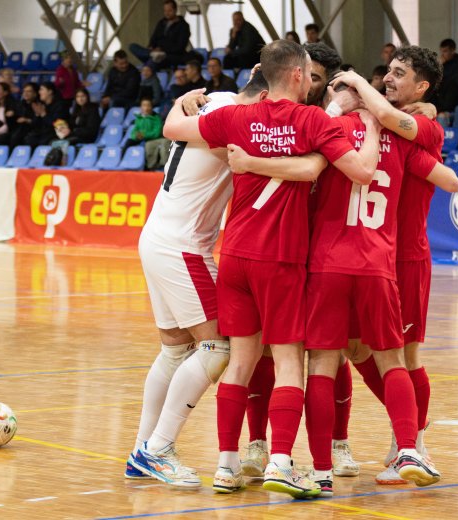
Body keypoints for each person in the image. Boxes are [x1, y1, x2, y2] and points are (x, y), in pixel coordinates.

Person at [161, 39, 382, 499]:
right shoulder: (312, 121)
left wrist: (183, 101)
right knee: (287, 362)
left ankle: (226, 467)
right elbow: (362, 172)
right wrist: (370, 125)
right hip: (280, 259)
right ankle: (281, 462)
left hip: (235, 255)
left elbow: (172, 128)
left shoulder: (236, 116)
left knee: (241, 361)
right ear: (299, 74)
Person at [125, 72, 273, 487]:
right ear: (264, 94)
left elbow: (174, 124)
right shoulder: (238, 120)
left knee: (175, 351)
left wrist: (178, 102)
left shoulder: (216, 99)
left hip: (158, 235)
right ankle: (157, 450)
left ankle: (142, 450)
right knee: (218, 346)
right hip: (183, 247)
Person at [330, 45, 457, 486]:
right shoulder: (377, 122)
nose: (388, 77)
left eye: (400, 73)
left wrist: (356, 84)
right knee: (355, 348)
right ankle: (405, 428)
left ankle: (414, 444)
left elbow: (451, 180)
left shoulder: (422, 126)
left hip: (405, 257)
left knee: (404, 355)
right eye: (389, 70)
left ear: (421, 88)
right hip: (369, 253)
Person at [130, 0, 199, 69]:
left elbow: (180, 47)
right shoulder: (161, 23)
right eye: (165, 11)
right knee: (132, 46)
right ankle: (151, 55)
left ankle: (152, 58)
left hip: (171, 56)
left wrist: (162, 49)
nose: (167, 13)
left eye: (169, 11)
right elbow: (154, 37)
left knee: (153, 61)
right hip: (155, 52)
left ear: (175, 10)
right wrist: (151, 46)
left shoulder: (183, 26)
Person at [432, 38, 458, 126]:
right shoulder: (443, 66)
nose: (442, 55)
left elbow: (455, 86)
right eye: (441, 51)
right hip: (443, 104)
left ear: (453, 51)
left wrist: (439, 66)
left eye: (445, 51)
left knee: (441, 117)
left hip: (455, 106)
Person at [25, 81, 69, 147]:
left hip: (56, 134)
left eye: (42, 89)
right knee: (29, 139)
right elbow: (35, 126)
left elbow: (58, 125)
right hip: (43, 133)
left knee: (44, 141)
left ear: (50, 92)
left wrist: (43, 114)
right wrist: (37, 115)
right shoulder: (42, 105)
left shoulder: (60, 106)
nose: (39, 92)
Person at [9, 82, 39, 148]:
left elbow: (39, 122)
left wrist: (27, 120)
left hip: (33, 131)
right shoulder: (20, 104)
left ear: (35, 93)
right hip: (20, 130)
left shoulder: (38, 105)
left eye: (29, 91)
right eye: (24, 91)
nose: (25, 93)